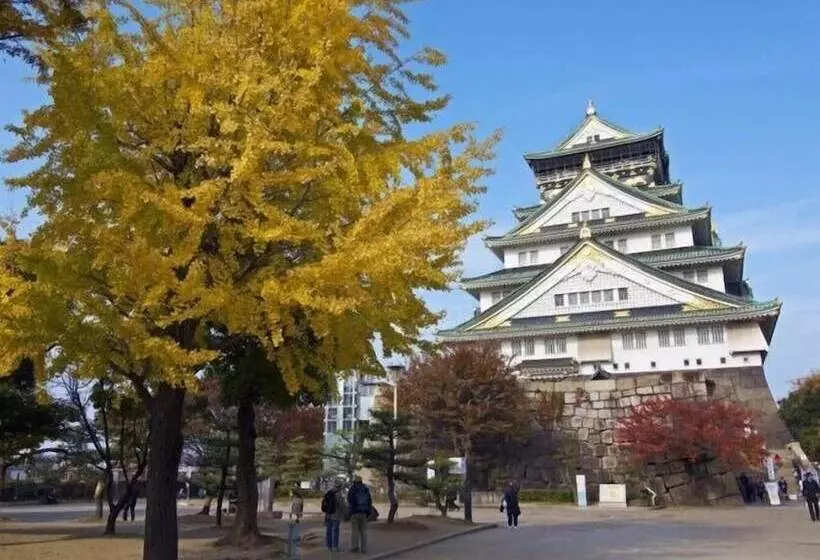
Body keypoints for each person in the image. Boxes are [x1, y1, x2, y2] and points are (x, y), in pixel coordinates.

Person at [347, 476, 373, 554]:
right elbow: (369, 501)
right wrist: (368, 512)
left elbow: (349, 499)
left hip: (355, 513)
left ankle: (355, 547)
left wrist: (351, 510)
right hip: (364, 513)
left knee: (355, 531)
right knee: (363, 531)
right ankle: (364, 548)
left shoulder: (353, 489)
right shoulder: (365, 489)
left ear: (355, 481)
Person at [321, 480, 346, 553]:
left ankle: (328, 546)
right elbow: (342, 505)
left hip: (328, 515)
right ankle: (335, 547)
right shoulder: (338, 494)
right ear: (340, 487)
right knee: (335, 531)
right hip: (336, 515)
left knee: (328, 531)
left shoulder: (328, 493)